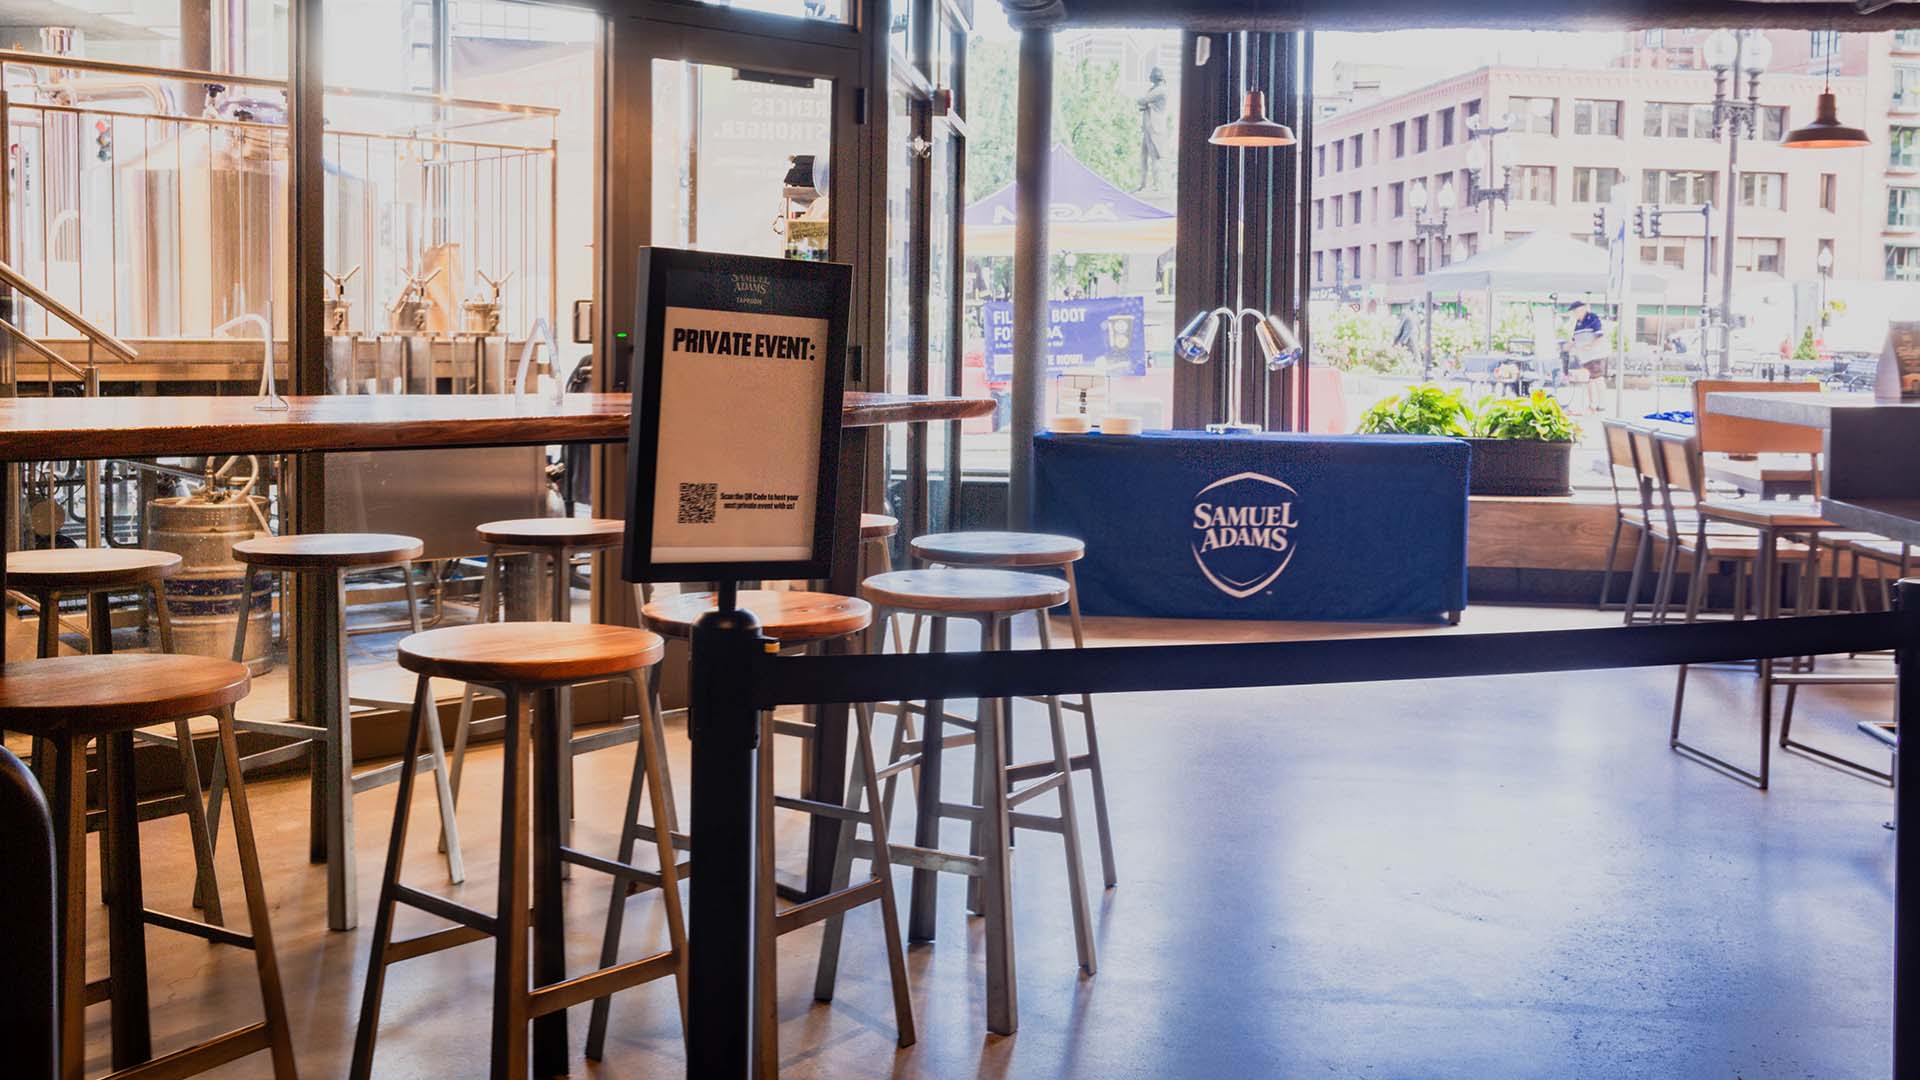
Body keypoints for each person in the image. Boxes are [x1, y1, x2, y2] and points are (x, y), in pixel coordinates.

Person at [1566, 301, 1606, 412]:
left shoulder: (1592, 318)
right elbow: (1575, 339)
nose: (1574, 313)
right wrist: (1569, 346)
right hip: (1585, 358)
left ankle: (1601, 404)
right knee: (1590, 380)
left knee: (1597, 379)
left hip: (1595, 356)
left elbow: (1600, 337)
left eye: (1575, 311)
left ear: (1582, 309)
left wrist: (1587, 346)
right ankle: (1592, 404)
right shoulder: (1578, 323)